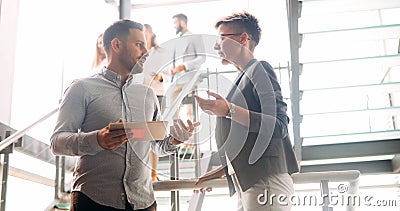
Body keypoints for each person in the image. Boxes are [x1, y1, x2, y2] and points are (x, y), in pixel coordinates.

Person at [50, 19, 199, 211]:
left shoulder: (148, 95)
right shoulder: (81, 89)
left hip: (143, 203)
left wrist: (176, 140)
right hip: (94, 201)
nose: (146, 52)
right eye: (139, 45)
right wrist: (97, 139)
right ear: (116, 45)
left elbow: (156, 145)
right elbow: (57, 142)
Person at [193, 12, 299, 211]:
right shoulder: (243, 78)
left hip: (265, 181)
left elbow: (278, 126)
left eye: (223, 38)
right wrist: (224, 170)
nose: (217, 46)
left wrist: (229, 110)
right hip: (251, 182)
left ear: (243, 38)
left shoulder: (259, 69)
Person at [165, 13, 206, 120]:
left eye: (175, 22)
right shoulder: (176, 41)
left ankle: (190, 134)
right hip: (176, 80)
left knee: (189, 109)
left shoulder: (195, 37)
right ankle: (174, 133)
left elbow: (202, 58)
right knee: (170, 109)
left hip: (190, 79)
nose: (174, 26)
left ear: (182, 22)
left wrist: (184, 66)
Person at [143, 23, 167, 182]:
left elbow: (168, 73)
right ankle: (144, 172)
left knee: (155, 135)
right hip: (142, 96)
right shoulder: (138, 51)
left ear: (151, 33)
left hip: (157, 95)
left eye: (144, 32)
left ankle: (153, 173)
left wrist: (159, 77)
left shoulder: (160, 52)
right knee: (142, 135)